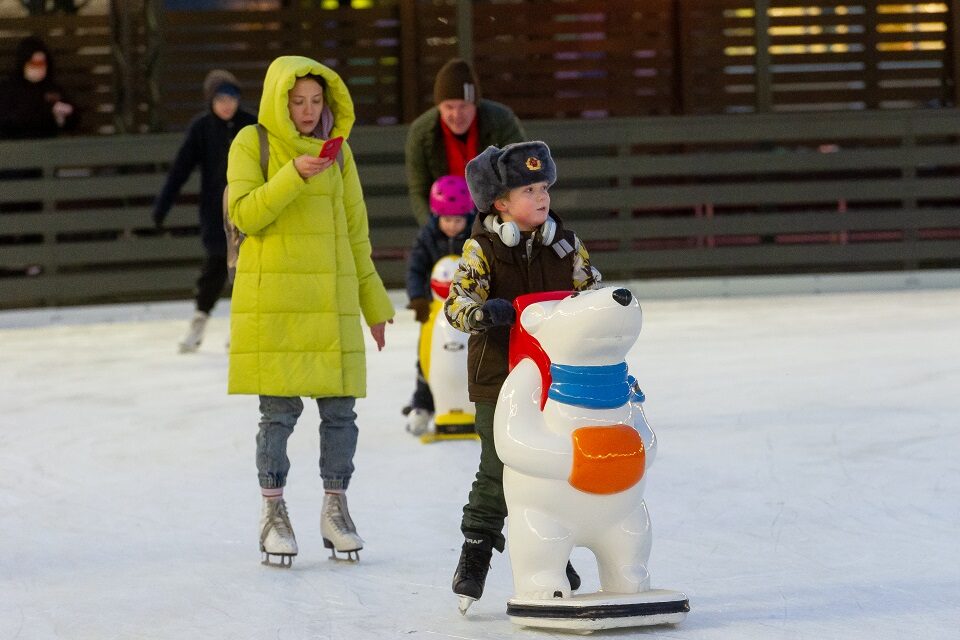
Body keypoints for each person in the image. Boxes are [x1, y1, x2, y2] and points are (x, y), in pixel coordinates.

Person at [225, 55, 394, 567]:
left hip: (332, 301)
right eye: (297, 101)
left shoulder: (340, 155)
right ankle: (274, 513)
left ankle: (335, 510)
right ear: (279, 100)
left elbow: (356, 234)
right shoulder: (250, 143)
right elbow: (245, 215)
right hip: (273, 303)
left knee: (340, 414)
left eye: (316, 101)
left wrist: (374, 303)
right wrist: (294, 174)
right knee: (278, 415)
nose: (306, 110)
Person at [444, 141, 603, 609]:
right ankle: (476, 548)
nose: (541, 197)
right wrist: (482, 314)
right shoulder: (484, 249)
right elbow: (456, 305)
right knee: (498, 466)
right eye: (528, 189)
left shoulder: (567, 245)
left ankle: (550, 550)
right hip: (499, 380)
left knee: (554, 467)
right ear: (501, 203)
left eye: (544, 187)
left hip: (557, 382)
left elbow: (593, 297)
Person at [152, 69, 257, 353]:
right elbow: (180, 170)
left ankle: (242, 328)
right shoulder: (201, 128)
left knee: (247, 270)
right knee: (215, 266)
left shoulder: (251, 125)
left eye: (232, 97)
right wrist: (162, 207)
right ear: (210, 99)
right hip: (214, 213)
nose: (227, 104)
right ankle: (199, 322)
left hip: (249, 209)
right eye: (220, 98)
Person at [404, 58, 525, 226]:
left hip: (497, 213)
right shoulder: (421, 132)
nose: (457, 114)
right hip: (447, 219)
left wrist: (511, 220)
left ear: (475, 104)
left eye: (463, 106)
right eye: (449, 107)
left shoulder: (501, 121)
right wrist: (433, 229)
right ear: (439, 107)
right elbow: (419, 190)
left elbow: (521, 171)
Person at [403, 175, 475, 435]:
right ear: (436, 216)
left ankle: (479, 404)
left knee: (471, 356)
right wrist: (418, 298)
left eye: (458, 220)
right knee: (427, 356)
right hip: (434, 312)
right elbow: (415, 269)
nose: (453, 226)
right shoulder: (428, 238)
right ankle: (423, 403)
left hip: (469, 309)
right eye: (447, 220)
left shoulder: (476, 238)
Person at [0, 35, 78, 139]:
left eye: (42, 63)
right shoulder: (9, 89)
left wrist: (64, 116)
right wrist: (46, 114)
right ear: (23, 64)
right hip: (17, 147)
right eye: (34, 64)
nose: (39, 68)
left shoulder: (52, 88)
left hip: (48, 147)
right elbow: (7, 120)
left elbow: (73, 120)